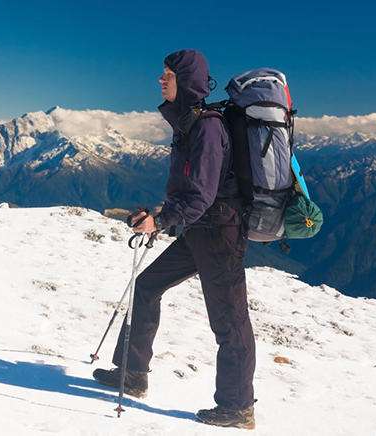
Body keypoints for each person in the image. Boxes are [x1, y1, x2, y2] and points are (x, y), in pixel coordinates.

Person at [92, 49, 256, 430]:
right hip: (200, 230)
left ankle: (238, 407)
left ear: (186, 81)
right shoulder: (189, 123)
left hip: (220, 234)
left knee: (229, 322)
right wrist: (156, 214)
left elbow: (201, 194)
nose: (160, 80)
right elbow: (192, 191)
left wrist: (162, 220)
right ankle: (132, 374)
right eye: (162, 74)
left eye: (168, 75)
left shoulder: (208, 127)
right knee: (146, 287)